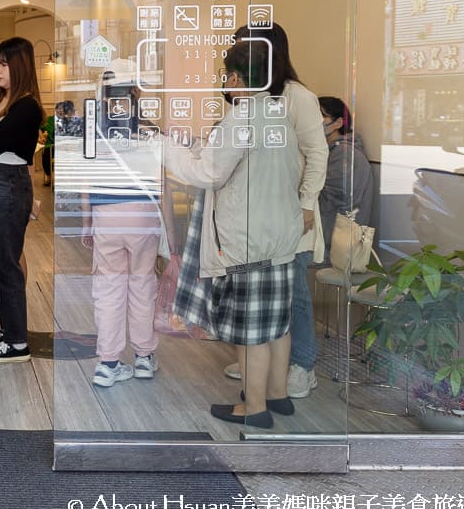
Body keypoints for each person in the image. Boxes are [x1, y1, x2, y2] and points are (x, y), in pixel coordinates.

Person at [167, 40, 304, 428]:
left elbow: (209, 173)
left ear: (238, 77)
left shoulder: (241, 118)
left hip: (248, 241)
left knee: (250, 332)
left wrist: (166, 150)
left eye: (227, 74)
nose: (224, 82)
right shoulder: (278, 116)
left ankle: (254, 408)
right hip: (279, 236)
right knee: (277, 325)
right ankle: (278, 396)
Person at [221, 23, 328, 399]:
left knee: (293, 292)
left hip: (289, 213)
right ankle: (258, 360)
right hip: (254, 218)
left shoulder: (297, 97)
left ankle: (303, 365)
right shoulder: (249, 95)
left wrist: (306, 203)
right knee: (255, 289)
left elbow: (317, 152)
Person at [83, 79, 166, 387]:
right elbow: (162, 184)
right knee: (143, 285)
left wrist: (86, 223)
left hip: (106, 216)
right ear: (136, 95)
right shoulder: (148, 131)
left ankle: (108, 363)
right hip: (143, 216)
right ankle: (144, 358)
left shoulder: (96, 131)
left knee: (108, 289)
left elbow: (85, 180)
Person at [0, 37, 45, 364]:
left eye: (2, 65)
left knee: (5, 265)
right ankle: (9, 330)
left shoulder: (27, 106)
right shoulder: (0, 101)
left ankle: (17, 343)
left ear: (18, 66)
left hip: (9, 185)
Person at [317, 96, 375, 258]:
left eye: (319, 115)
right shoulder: (332, 151)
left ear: (337, 123)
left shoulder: (344, 155)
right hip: (330, 241)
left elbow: (330, 202)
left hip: (333, 245)